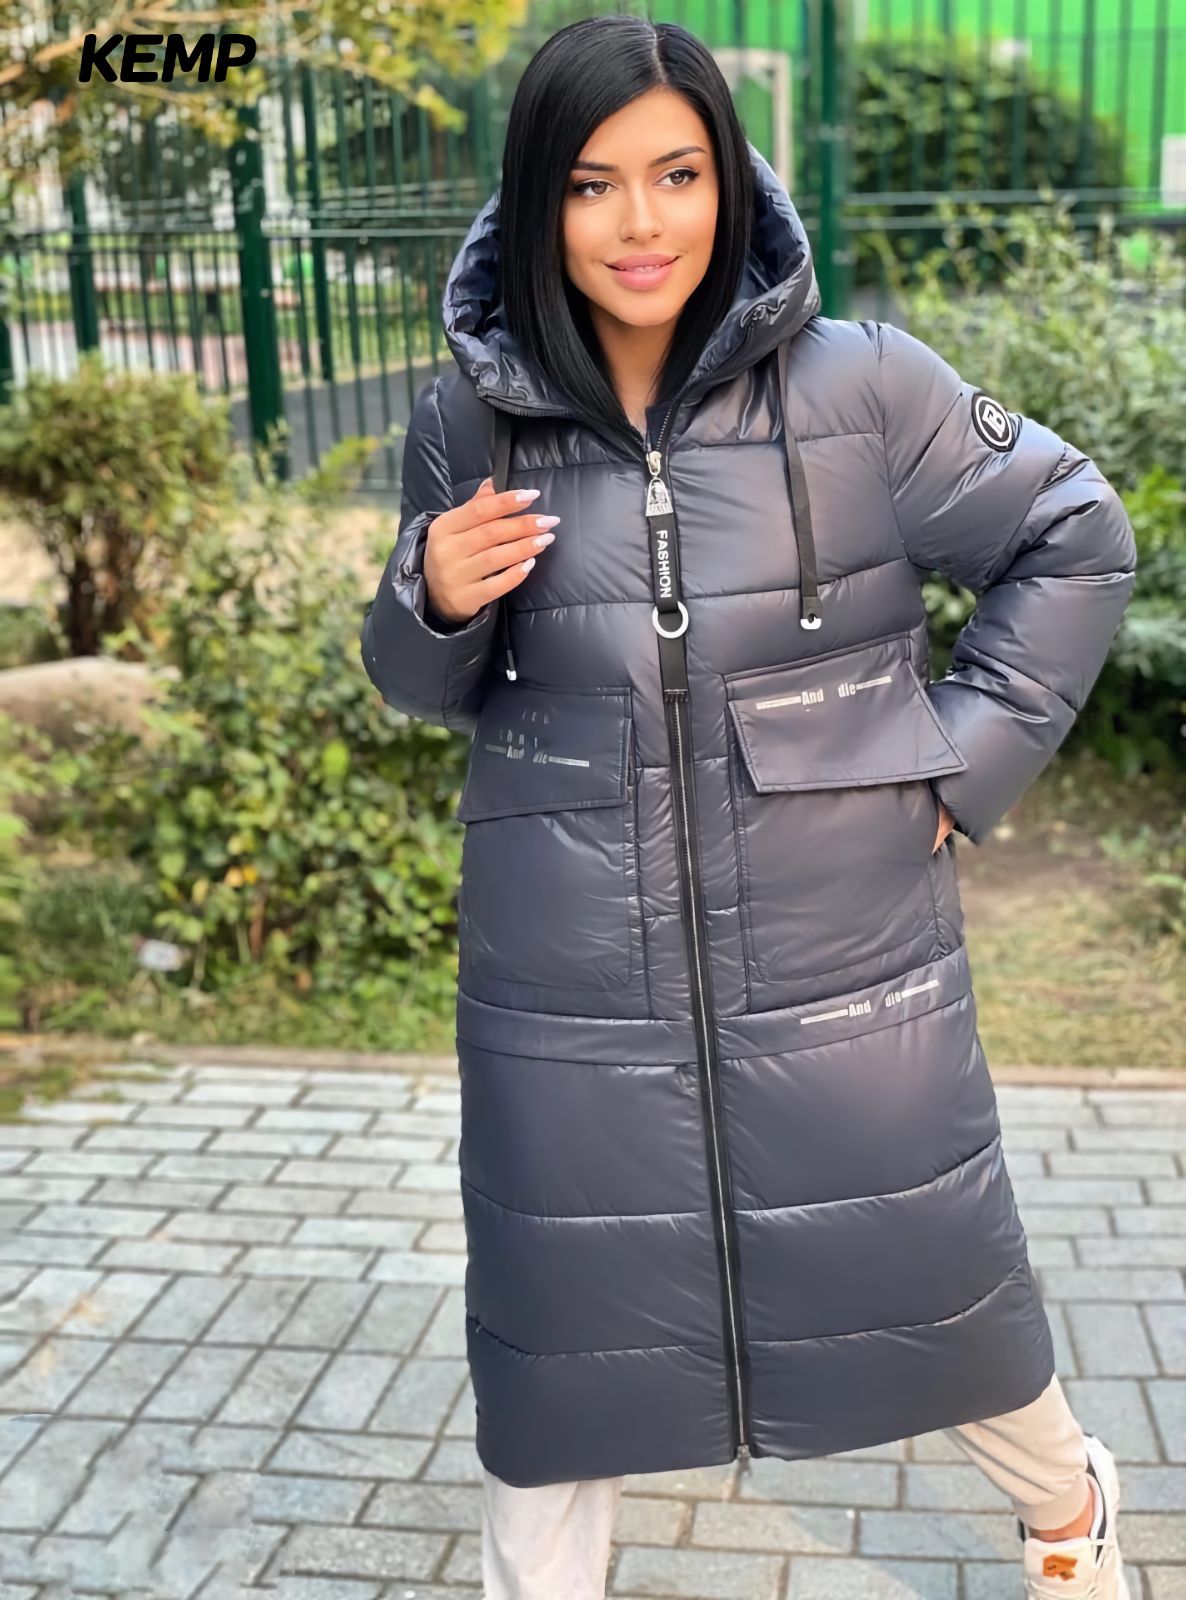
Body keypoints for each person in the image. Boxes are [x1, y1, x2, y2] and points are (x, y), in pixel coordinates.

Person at [359, 15, 1138, 1599]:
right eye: (590, 185)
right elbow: (426, 686)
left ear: (730, 181)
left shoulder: (861, 388)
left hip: (845, 949)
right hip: (565, 975)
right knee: (556, 1354)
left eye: (676, 174)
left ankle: (1070, 1512)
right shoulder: (469, 417)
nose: (637, 224)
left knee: (934, 1284)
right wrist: (426, 595)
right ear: (536, 202)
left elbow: (1072, 531)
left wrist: (961, 760)